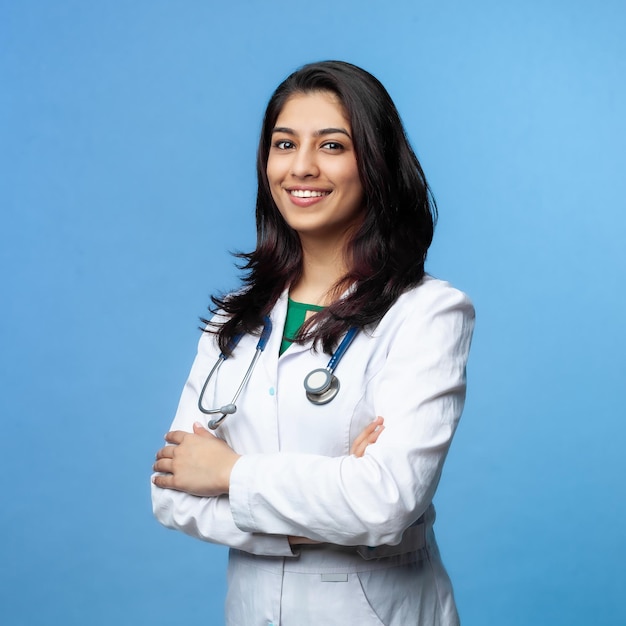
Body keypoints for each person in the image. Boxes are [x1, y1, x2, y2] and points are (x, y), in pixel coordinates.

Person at [151, 60, 475, 626]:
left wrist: (231, 474)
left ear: (374, 162)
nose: (301, 167)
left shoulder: (426, 312)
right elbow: (173, 494)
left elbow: (386, 502)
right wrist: (327, 499)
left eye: (331, 145)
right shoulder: (236, 318)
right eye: (284, 144)